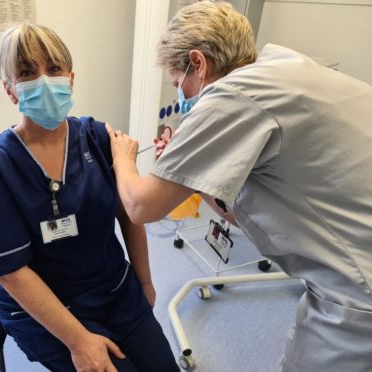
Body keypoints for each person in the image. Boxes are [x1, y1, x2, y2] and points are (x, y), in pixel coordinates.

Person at [105, 1, 372, 371]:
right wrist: (192, 179)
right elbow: (241, 216)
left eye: (177, 83)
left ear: (198, 63)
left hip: (359, 289)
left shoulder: (232, 96)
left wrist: (123, 158)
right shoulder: (282, 69)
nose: (179, 94)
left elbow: (139, 207)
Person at [0, 23, 179, 372]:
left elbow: (130, 213)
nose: (45, 81)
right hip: (47, 311)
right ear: (11, 90)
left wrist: (144, 281)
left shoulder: (97, 137)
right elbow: (10, 272)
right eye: (27, 73)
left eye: (53, 69)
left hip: (113, 288)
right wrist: (78, 341)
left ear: (71, 78)